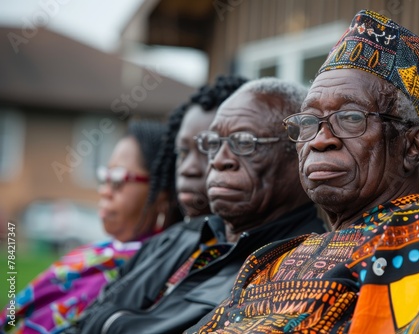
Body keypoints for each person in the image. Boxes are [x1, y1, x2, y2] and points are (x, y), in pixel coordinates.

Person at [188, 10, 419, 334]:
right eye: (308, 121)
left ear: (412, 146)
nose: (320, 140)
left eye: (351, 118)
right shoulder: (279, 258)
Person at [67, 77, 328, 334]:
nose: (219, 160)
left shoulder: (301, 269)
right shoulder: (175, 239)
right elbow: (84, 319)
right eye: (213, 144)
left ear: (301, 153)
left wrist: (114, 322)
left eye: (245, 143)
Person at [0, 120, 183, 333]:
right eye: (104, 176)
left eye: (118, 178)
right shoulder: (100, 253)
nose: (104, 190)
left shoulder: (154, 273)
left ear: (162, 194)